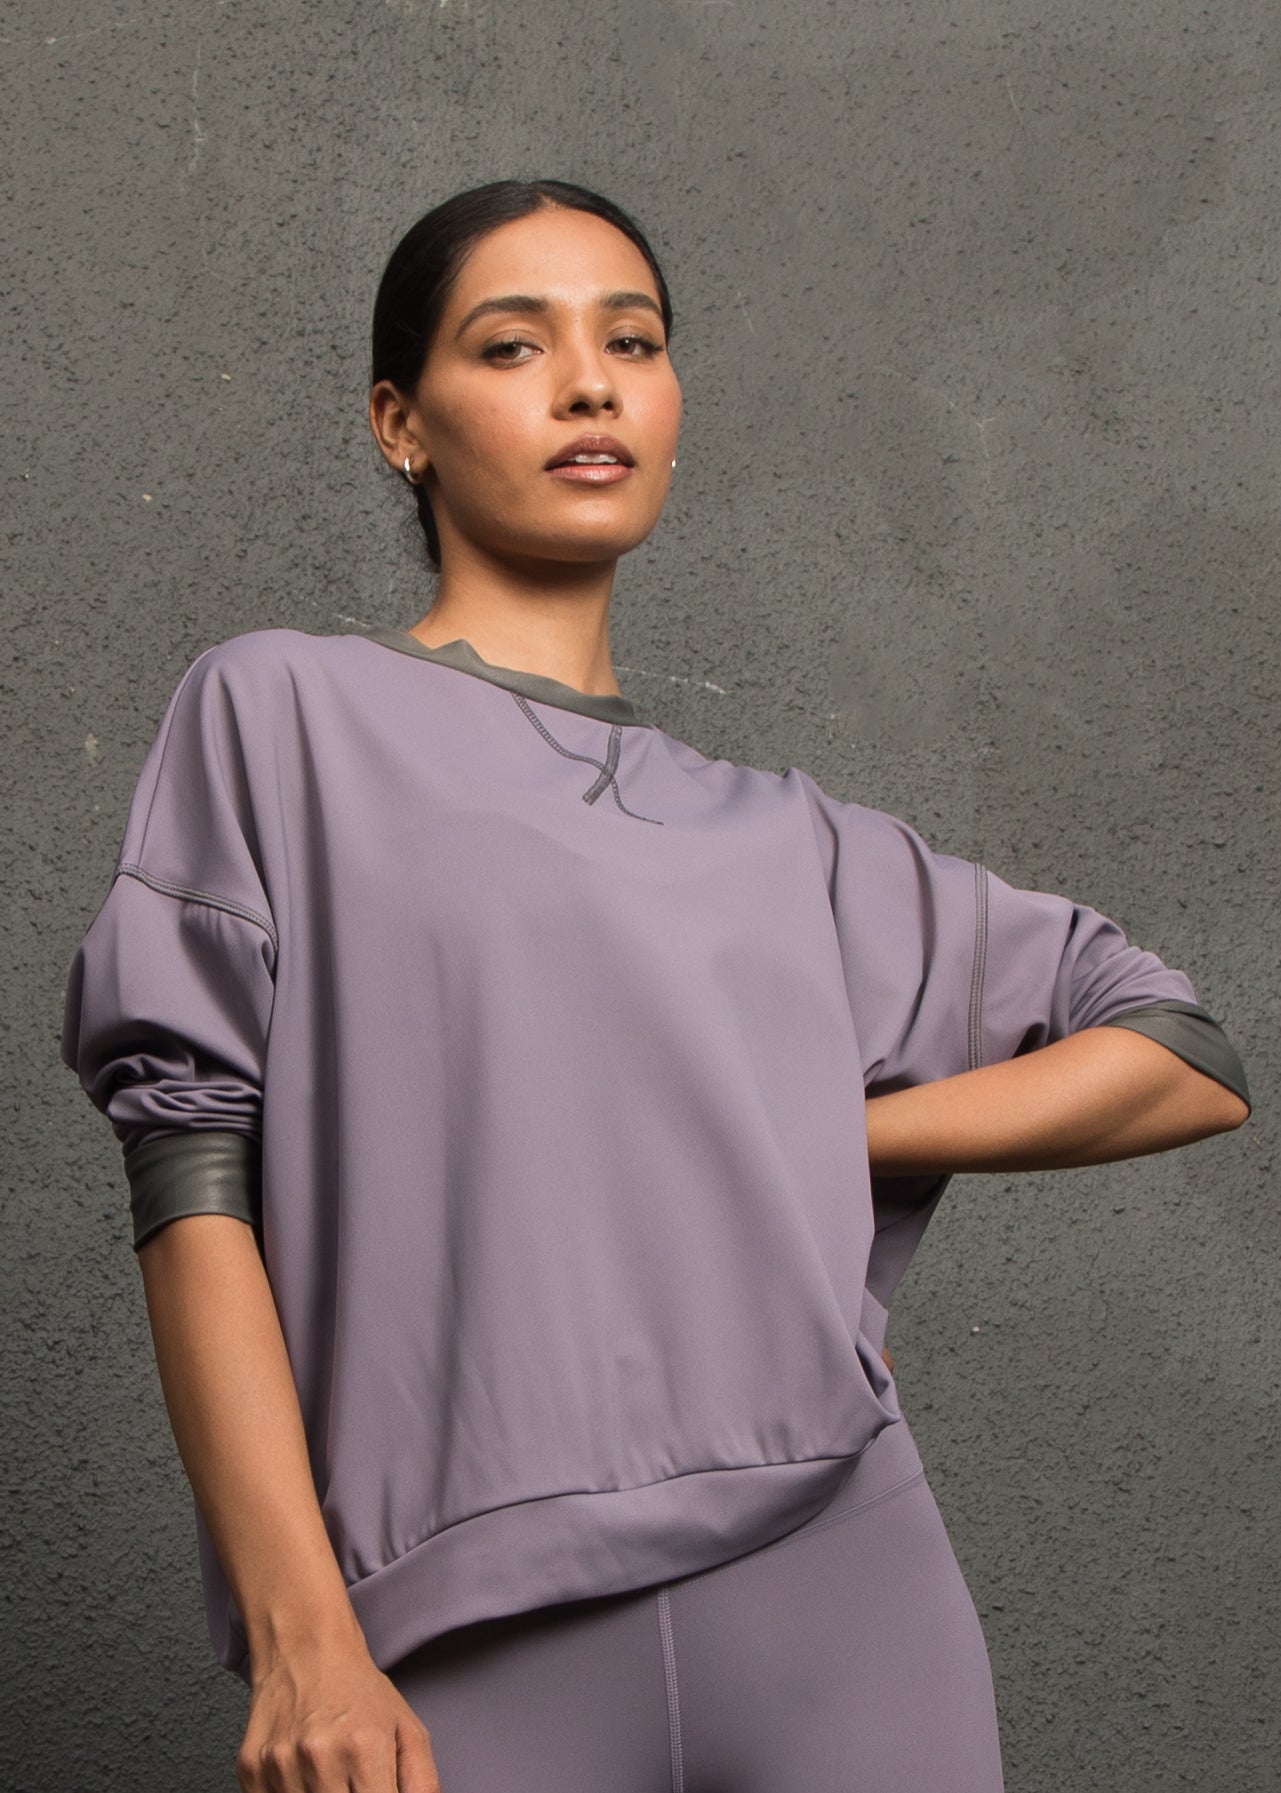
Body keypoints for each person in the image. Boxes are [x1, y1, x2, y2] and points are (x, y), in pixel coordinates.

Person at [60, 179, 1251, 1793]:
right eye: (512, 344)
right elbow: (190, 1164)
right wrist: (303, 1640)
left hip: (841, 1580)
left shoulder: (789, 839)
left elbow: (1180, 1051)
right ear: (400, 423)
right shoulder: (281, 712)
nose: (589, 384)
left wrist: (819, 1137)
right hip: (443, 1625)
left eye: (631, 341)